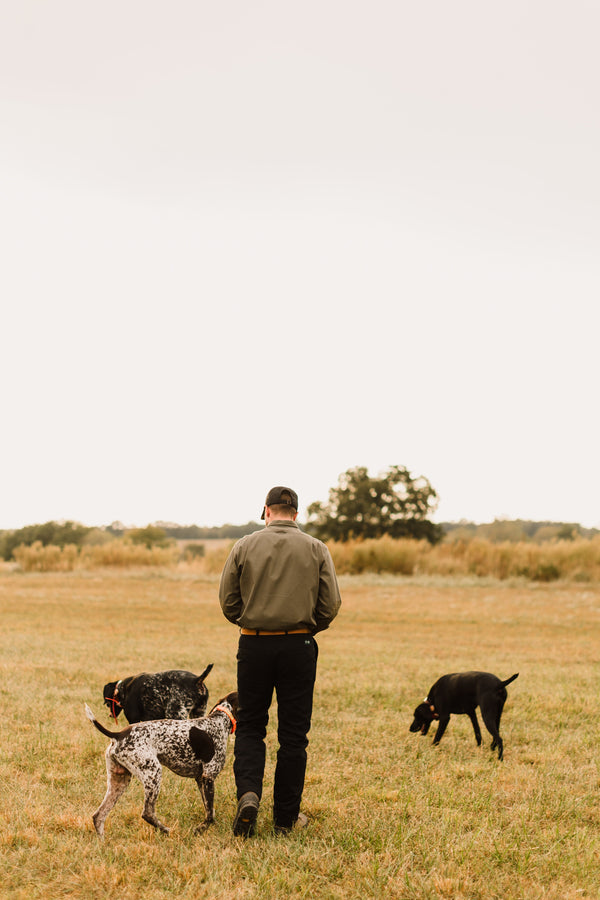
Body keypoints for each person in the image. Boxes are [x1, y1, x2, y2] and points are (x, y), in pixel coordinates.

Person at [219, 485, 341, 836]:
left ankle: (249, 796)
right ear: (296, 514)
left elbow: (228, 602)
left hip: (254, 644)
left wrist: (251, 621)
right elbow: (331, 604)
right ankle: (285, 819)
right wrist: (307, 629)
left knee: (251, 726)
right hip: (298, 645)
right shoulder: (316, 548)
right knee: (293, 735)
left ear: (267, 511)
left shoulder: (244, 546)